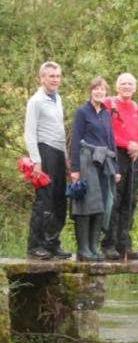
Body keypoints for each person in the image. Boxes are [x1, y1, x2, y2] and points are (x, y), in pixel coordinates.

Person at [69, 77, 120, 261]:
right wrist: (74, 168)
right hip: (86, 160)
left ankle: (93, 247)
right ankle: (83, 249)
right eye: (96, 89)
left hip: (104, 162)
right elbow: (75, 140)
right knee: (85, 204)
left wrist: (116, 168)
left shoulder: (106, 113)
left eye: (102, 89)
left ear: (106, 92)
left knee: (102, 204)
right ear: (91, 91)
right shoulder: (82, 112)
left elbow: (111, 141)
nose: (99, 92)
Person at [24, 61, 70, 260]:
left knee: (60, 200)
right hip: (44, 152)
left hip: (59, 153)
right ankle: (36, 245)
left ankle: (52, 243)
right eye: (51, 76)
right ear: (42, 78)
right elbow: (29, 133)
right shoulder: (36, 101)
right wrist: (36, 161)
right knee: (44, 200)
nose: (55, 80)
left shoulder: (57, 98)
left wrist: (67, 159)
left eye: (58, 76)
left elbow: (60, 131)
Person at [101, 73, 138, 261]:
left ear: (135, 87)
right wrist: (127, 144)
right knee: (114, 200)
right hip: (116, 155)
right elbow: (106, 131)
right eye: (123, 83)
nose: (127, 86)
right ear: (117, 86)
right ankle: (109, 243)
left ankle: (124, 244)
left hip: (133, 156)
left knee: (130, 200)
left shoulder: (136, 107)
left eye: (130, 83)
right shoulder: (109, 104)